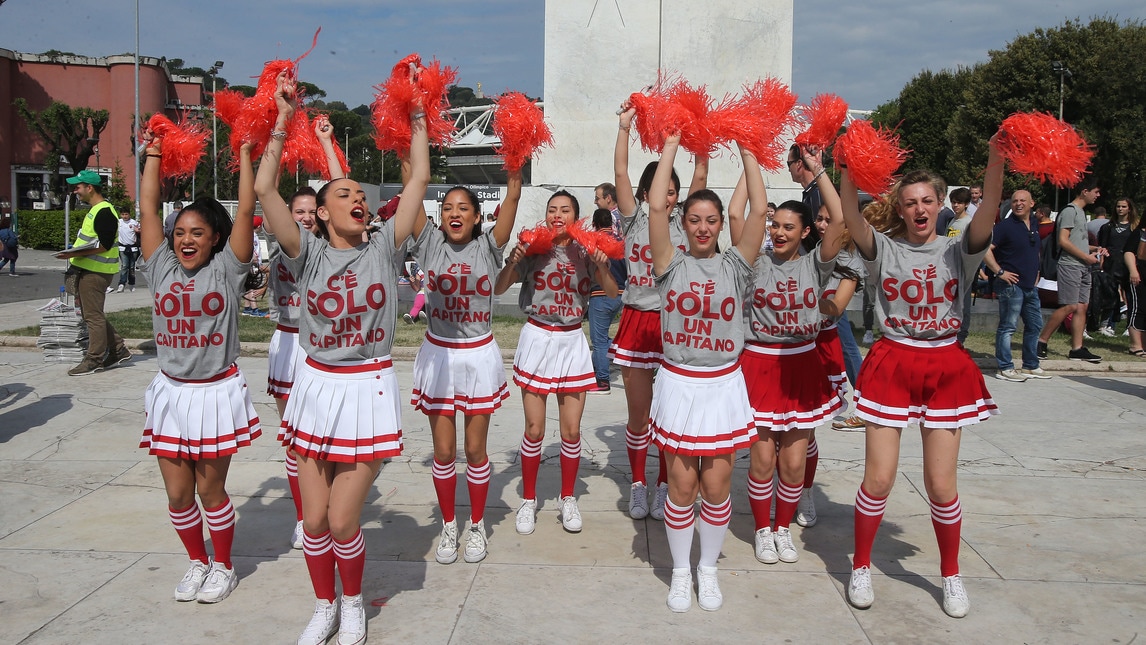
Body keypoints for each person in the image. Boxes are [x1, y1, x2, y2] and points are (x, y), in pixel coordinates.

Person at [255, 70, 430, 645]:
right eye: (344, 195)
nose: (358, 199)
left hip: (367, 387)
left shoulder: (383, 246)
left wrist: (420, 114)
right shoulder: (305, 254)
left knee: (340, 519)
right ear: (322, 214)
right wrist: (283, 121)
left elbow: (420, 177)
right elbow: (264, 191)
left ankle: (352, 604)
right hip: (315, 385)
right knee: (310, 521)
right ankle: (323, 605)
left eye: (362, 194)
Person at [841, 134, 1005, 619]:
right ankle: (863, 565)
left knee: (940, 484)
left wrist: (996, 157)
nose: (918, 208)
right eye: (909, 202)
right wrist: (850, 167)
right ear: (900, 207)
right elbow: (852, 216)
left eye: (927, 201)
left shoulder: (960, 250)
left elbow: (989, 207)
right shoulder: (883, 249)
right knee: (880, 478)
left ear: (939, 205)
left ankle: (951, 575)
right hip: (893, 358)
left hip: (945, 363)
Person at [136, 133, 259, 604]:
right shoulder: (160, 267)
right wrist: (152, 153)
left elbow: (246, 210)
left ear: (215, 240)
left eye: (197, 233)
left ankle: (223, 567)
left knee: (211, 492)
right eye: (180, 232)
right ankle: (197, 561)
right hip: (170, 392)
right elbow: (148, 209)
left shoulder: (228, 270)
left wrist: (244, 153)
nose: (186, 240)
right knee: (178, 495)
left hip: (214, 392)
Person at [649, 134, 767, 612]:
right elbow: (656, 206)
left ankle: (708, 570)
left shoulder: (737, 266)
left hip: (722, 386)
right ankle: (681, 572)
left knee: (716, 488)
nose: (702, 227)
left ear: (721, 225)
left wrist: (748, 145)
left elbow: (758, 211)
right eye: (693, 220)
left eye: (711, 220)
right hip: (678, 383)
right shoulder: (669, 264)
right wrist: (672, 144)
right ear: (683, 224)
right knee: (682, 487)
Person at [734, 147, 845, 566]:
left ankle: (783, 528)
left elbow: (837, 219)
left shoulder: (816, 265)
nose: (778, 232)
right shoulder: (752, 263)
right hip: (759, 365)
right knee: (762, 461)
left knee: (794, 465)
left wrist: (818, 171)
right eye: (774, 225)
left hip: (802, 366)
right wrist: (751, 158)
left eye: (787, 227)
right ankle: (763, 530)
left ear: (803, 233)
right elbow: (738, 214)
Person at [409, 168, 521, 566]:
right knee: (442, 452)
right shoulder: (430, 244)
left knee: (475, 450)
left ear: (477, 216)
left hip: (477, 354)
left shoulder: (488, 248)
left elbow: (511, 198)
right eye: (447, 208)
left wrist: (514, 164)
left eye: (463, 208)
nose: (454, 213)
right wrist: (407, 137)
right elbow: (412, 182)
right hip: (439, 353)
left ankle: (475, 525)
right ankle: (448, 524)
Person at [495, 190, 617, 536]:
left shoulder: (585, 249)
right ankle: (529, 499)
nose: (557, 215)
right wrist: (512, 260)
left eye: (565, 210)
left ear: (576, 216)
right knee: (534, 429)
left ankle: (567, 497)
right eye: (552, 210)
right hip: (537, 337)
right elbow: (500, 286)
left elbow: (610, 292)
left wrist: (602, 264)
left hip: (571, 340)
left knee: (571, 431)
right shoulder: (533, 247)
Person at [611, 101, 709, 521]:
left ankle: (667, 485)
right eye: (658, 189)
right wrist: (623, 128)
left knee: (670, 415)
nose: (666, 197)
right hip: (637, 320)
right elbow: (619, 174)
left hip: (676, 326)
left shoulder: (688, 224)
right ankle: (638, 484)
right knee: (638, 415)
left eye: (672, 190)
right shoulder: (634, 220)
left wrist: (703, 136)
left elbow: (701, 177)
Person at [264, 115, 343, 552]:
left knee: (326, 437)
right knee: (295, 441)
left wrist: (326, 143)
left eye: (314, 212)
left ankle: (331, 510)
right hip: (287, 342)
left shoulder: (329, 247)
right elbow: (265, 189)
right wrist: (276, 129)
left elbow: (341, 190)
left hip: (322, 348)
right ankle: (303, 517)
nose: (307, 218)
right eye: (299, 212)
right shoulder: (282, 241)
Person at [806, 202, 862, 520]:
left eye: (831, 220)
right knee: (775, 432)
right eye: (820, 218)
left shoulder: (849, 266)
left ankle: (805, 492)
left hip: (821, 349)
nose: (824, 224)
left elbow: (836, 307)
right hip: (791, 347)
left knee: (807, 431)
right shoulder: (804, 254)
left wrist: (800, 301)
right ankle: (776, 490)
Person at [59, 169, 130, 376]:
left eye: (78, 187)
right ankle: (118, 349)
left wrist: (71, 253)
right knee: (94, 314)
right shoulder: (97, 210)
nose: (75, 191)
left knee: (92, 317)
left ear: (90, 188)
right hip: (89, 269)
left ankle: (94, 359)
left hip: (95, 272)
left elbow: (105, 245)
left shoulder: (104, 211)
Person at [1036, 176, 1104, 363]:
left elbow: (1078, 243)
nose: (1098, 195)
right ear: (1085, 191)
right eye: (1096, 192)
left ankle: (1077, 348)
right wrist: (1085, 256)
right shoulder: (1070, 211)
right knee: (1069, 306)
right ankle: (1041, 342)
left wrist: (1096, 250)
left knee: (1082, 306)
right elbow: (1063, 241)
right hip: (1070, 265)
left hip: (1083, 265)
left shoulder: (1081, 212)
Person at [983, 190, 1048, 382]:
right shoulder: (1005, 227)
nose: (1018, 204)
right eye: (1015, 201)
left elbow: (1035, 251)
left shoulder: (1034, 225)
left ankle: (1030, 364)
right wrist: (999, 272)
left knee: (1035, 325)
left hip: (1030, 286)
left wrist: (1037, 273)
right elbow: (986, 250)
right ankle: (1005, 367)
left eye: (1022, 201)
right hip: (1011, 286)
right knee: (1008, 326)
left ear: (1032, 203)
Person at [586, 207, 626, 393]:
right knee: (602, 338)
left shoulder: (594, 241)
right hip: (619, 294)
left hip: (600, 295)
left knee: (599, 340)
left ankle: (602, 380)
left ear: (594, 224)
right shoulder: (622, 241)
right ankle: (623, 350)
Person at [1097, 198, 1137, 336]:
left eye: (1124, 206)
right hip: (1111, 263)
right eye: (1118, 206)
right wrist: (1102, 260)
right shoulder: (1108, 227)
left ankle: (1130, 326)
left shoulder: (1134, 227)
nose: (1120, 209)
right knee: (1110, 295)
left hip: (1128, 264)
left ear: (1129, 209)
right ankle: (1107, 325)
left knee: (1130, 297)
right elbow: (1102, 246)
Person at [1122, 214, 1146, 357]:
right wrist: (1133, 271)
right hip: (1138, 276)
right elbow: (1128, 252)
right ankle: (1135, 345)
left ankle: (1143, 345)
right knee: (1138, 308)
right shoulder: (1139, 233)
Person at [109, 208, 141, 293]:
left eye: (126, 214)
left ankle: (132, 284)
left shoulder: (134, 223)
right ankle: (121, 284)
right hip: (122, 248)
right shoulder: (119, 222)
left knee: (132, 267)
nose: (125, 216)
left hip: (133, 248)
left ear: (129, 214)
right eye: (123, 214)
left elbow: (141, 231)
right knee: (124, 266)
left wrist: (137, 230)